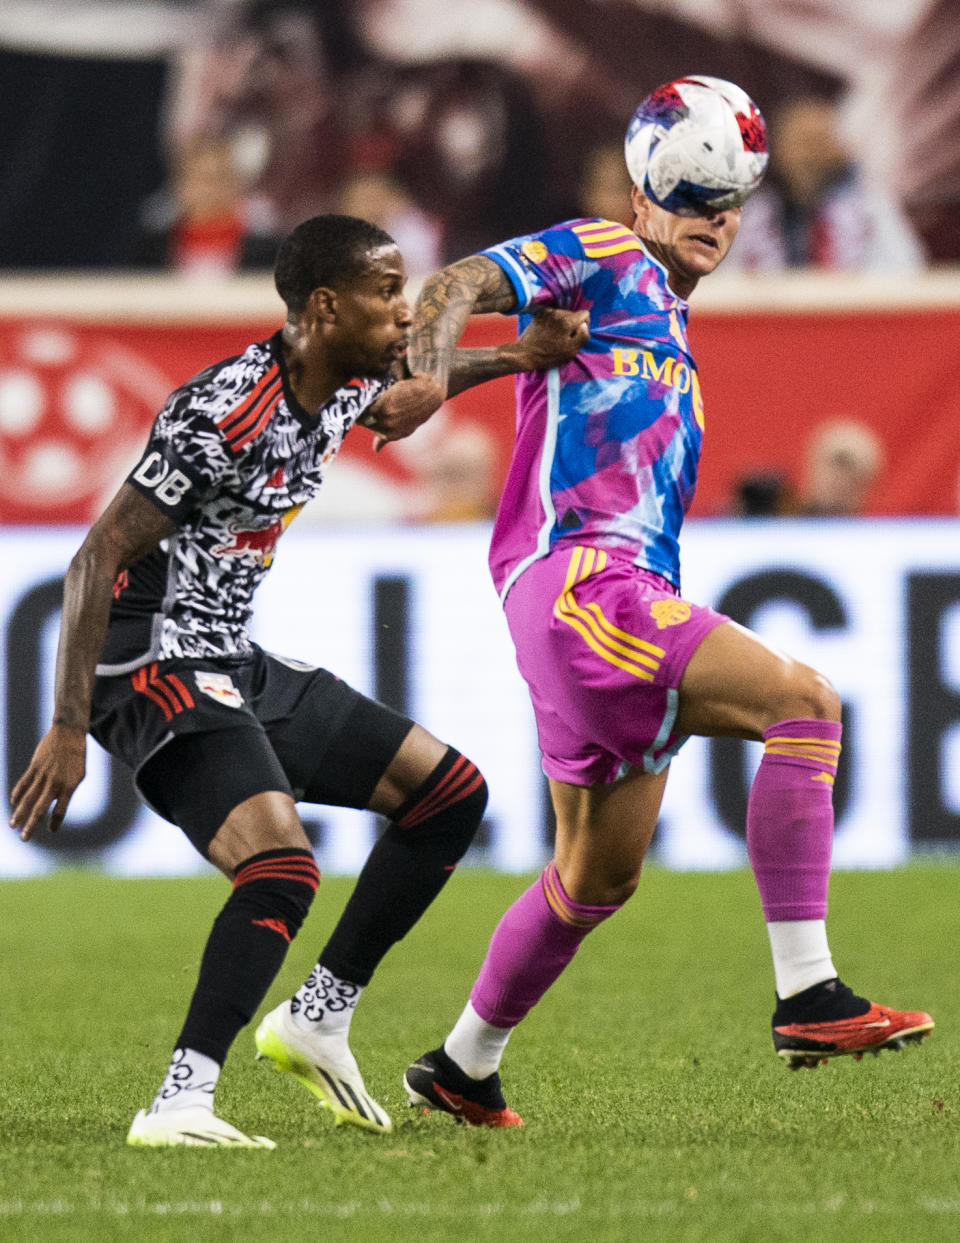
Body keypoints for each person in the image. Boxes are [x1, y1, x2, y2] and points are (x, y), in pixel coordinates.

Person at [368, 78, 934, 1128]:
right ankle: (808, 991)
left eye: (730, 201)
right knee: (805, 705)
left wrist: (453, 381)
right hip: (584, 584)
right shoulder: (606, 251)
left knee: (595, 877)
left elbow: (544, 367)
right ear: (642, 191)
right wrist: (431, 373)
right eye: (691, 193)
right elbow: (449, 283)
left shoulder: (656, 318)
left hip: (596, 599)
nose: (712, 218)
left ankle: (460, 1064)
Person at [7, 214, 588, 1148]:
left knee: (448, 794)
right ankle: (180, 1100)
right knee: (279, 866)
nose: (407, 312)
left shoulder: (344, 379)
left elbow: (406, 398)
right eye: (387, 292)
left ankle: (318, 1017)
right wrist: (69, 725)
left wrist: (522, 353)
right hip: (152, 661)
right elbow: (94, 558)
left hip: (229, 657)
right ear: (325, 305)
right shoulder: (223, 409)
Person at [723, 95, 924, 273]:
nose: (811, 156)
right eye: (801, 143)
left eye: (820, 142)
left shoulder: (872, 208)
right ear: (781, 151)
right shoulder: (752, 214)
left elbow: (906, 270)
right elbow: (725, 282)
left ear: (841, 149)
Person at [799, 420, 884, 517]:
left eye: (851, 474)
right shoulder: (784, 526)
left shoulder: (882, 530)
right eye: (834, 465)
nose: (840, 481)